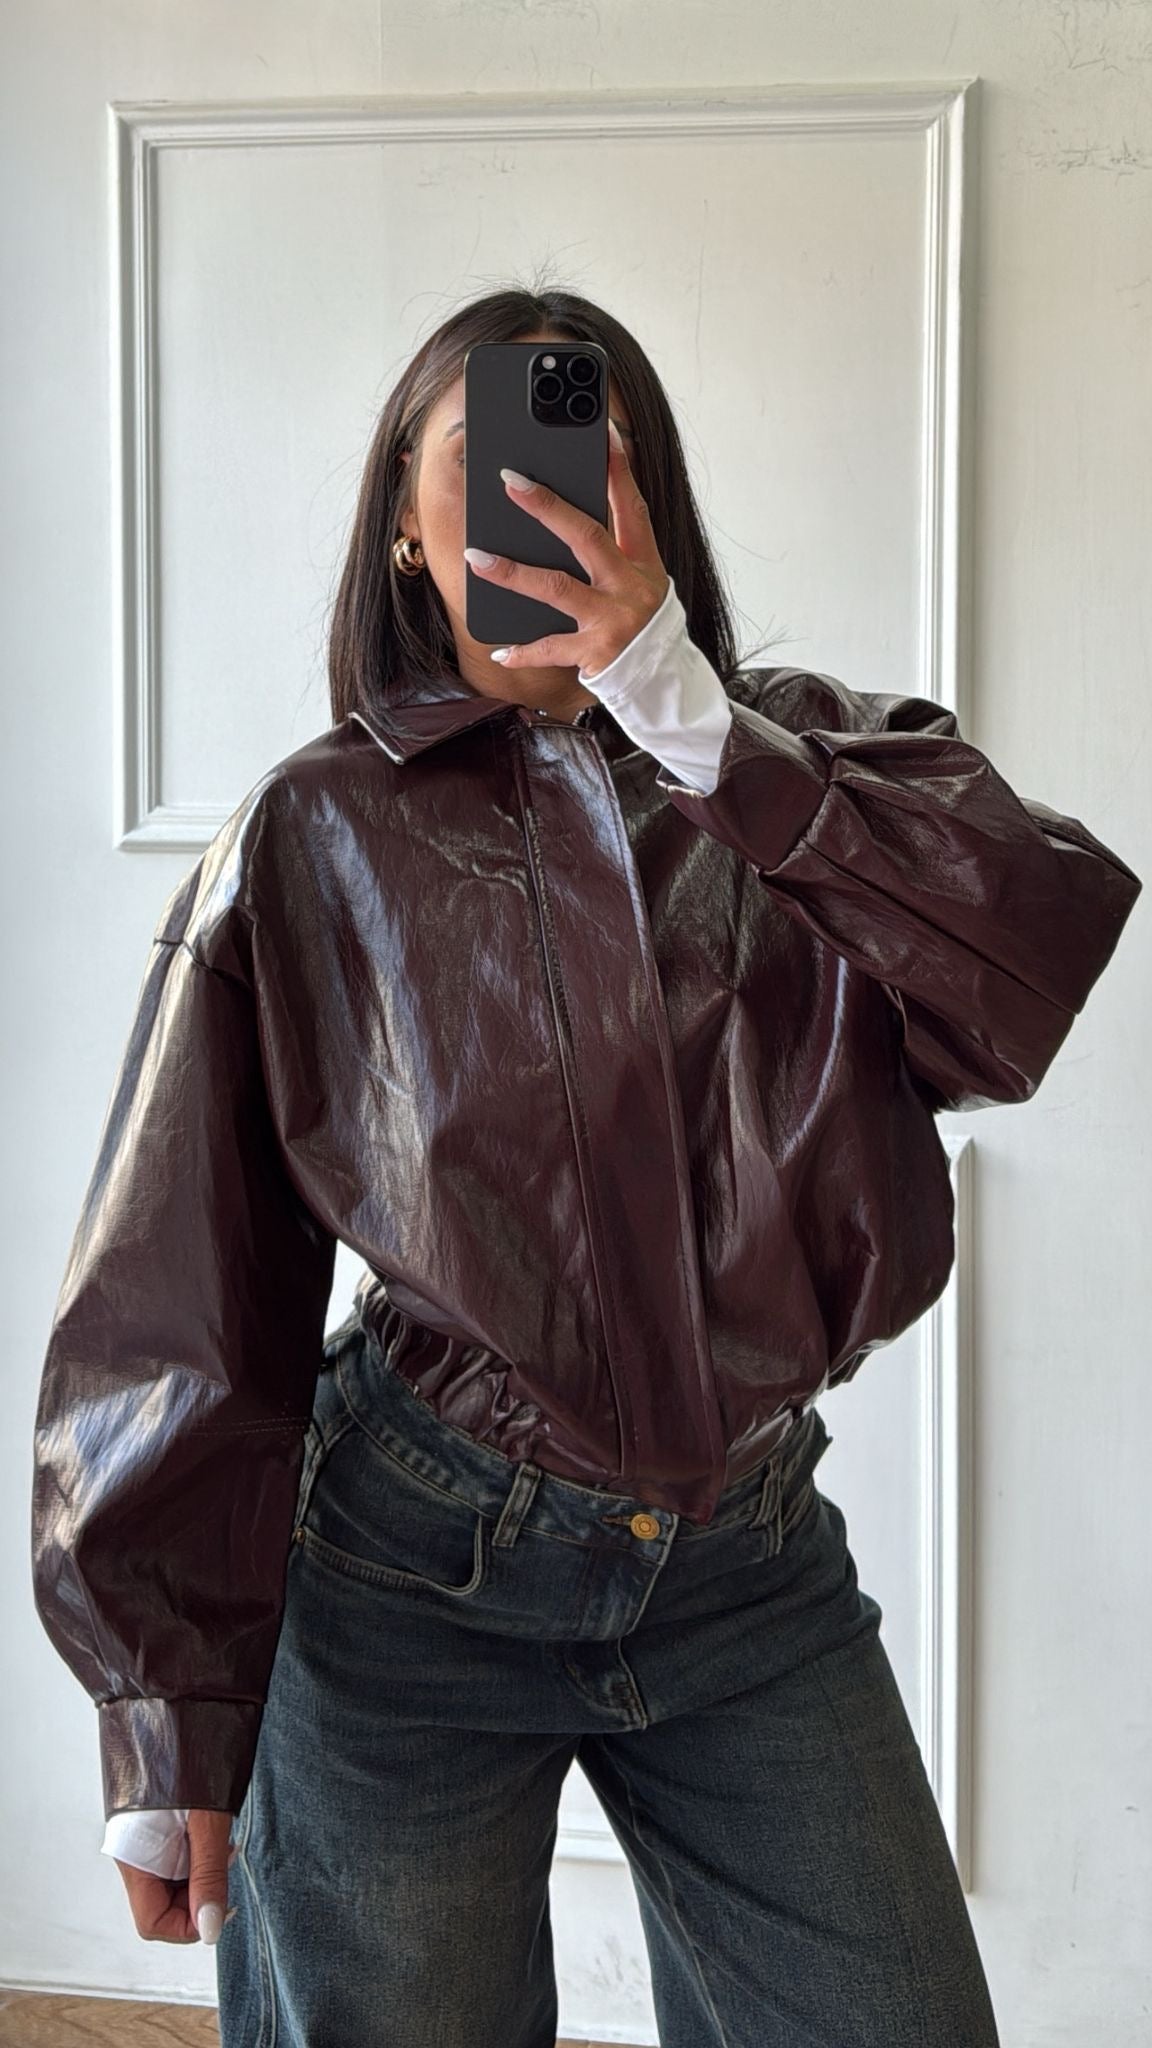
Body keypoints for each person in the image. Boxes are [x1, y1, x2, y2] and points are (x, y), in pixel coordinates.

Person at [31, 286, 1141, 2046]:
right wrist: (166, 1714)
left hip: (747, 1573)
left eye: (596, 448)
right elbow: (183, 1282)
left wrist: (695, 726)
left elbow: (1035, 960)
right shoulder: (314, 830)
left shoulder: (809, 762)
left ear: (653, 496)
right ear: (407, 526)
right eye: (494, 456)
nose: (555, 488)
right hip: (404, 1579)